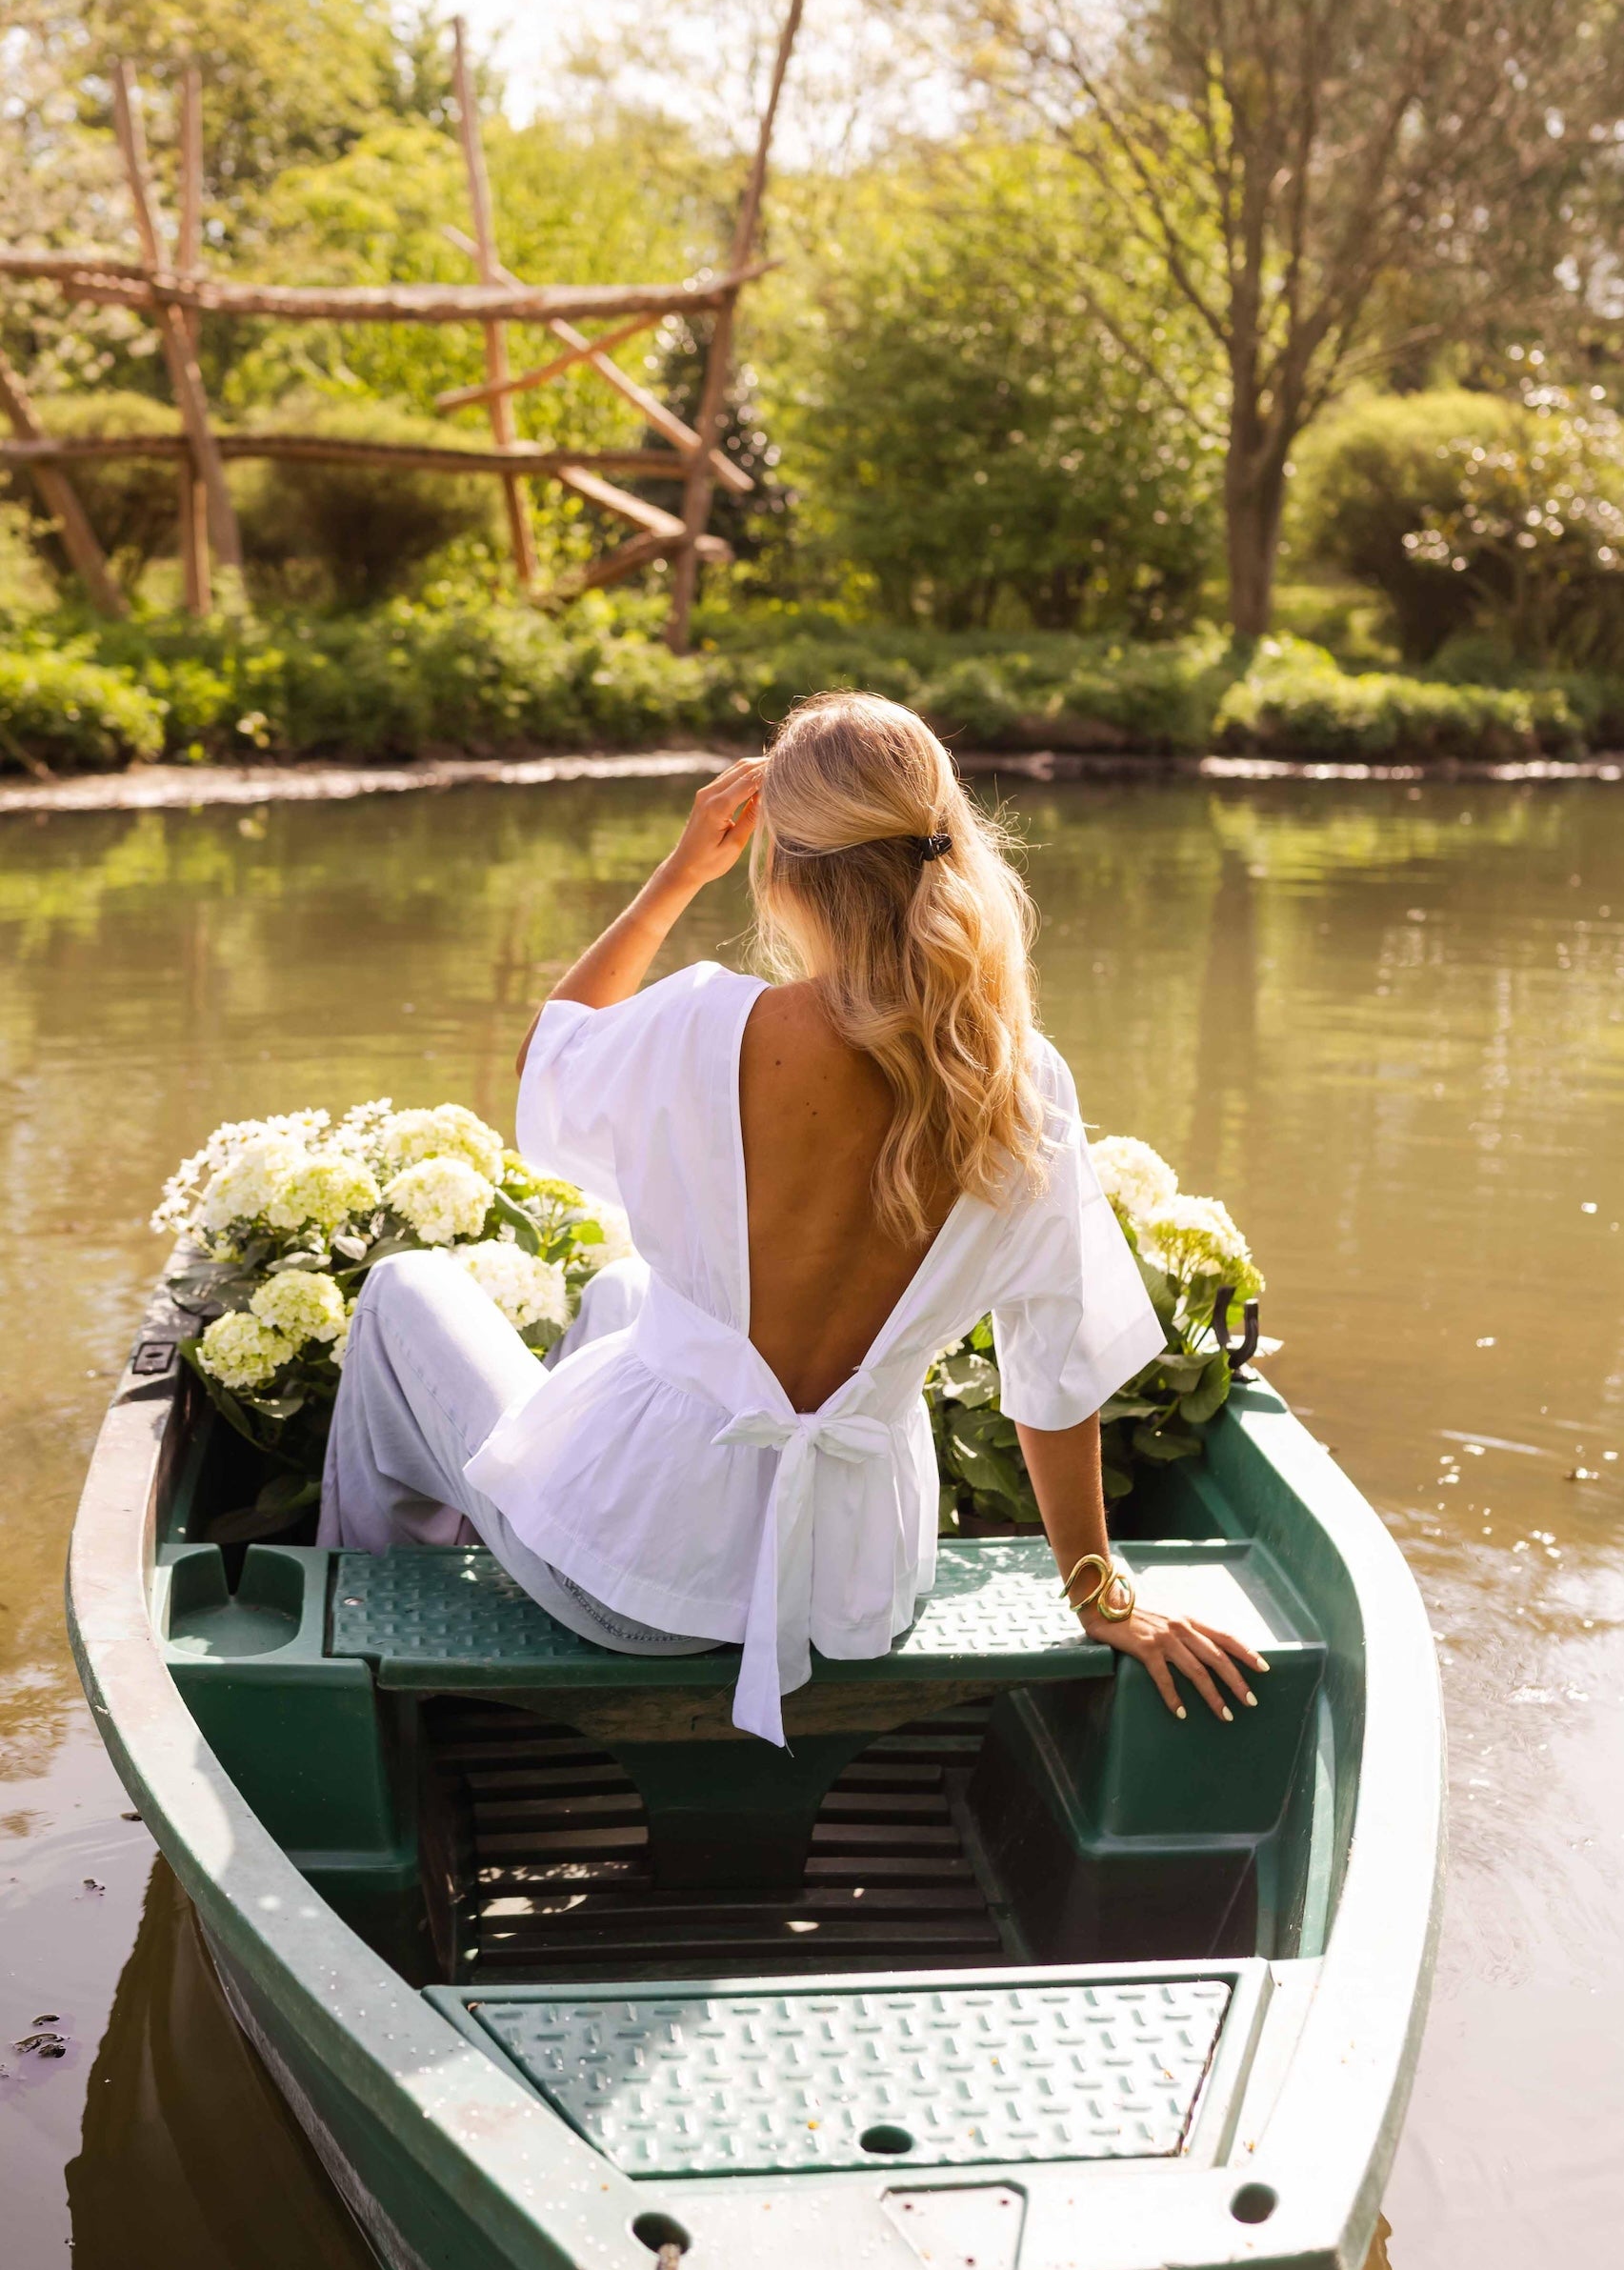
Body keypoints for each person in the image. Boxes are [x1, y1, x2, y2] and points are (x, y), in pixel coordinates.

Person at [319, 693, 1266, 1744]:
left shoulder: (700, 1025)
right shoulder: (1019, 1080)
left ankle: (367, 1641)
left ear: (776, 867)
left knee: (402, 1291)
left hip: (632, 1587)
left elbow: (546, 1060)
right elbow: (1056, 1368)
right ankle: (517, 1519)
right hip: (849, 1591)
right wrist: (1100, 1592)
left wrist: (677, 875)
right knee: (624, 1289)